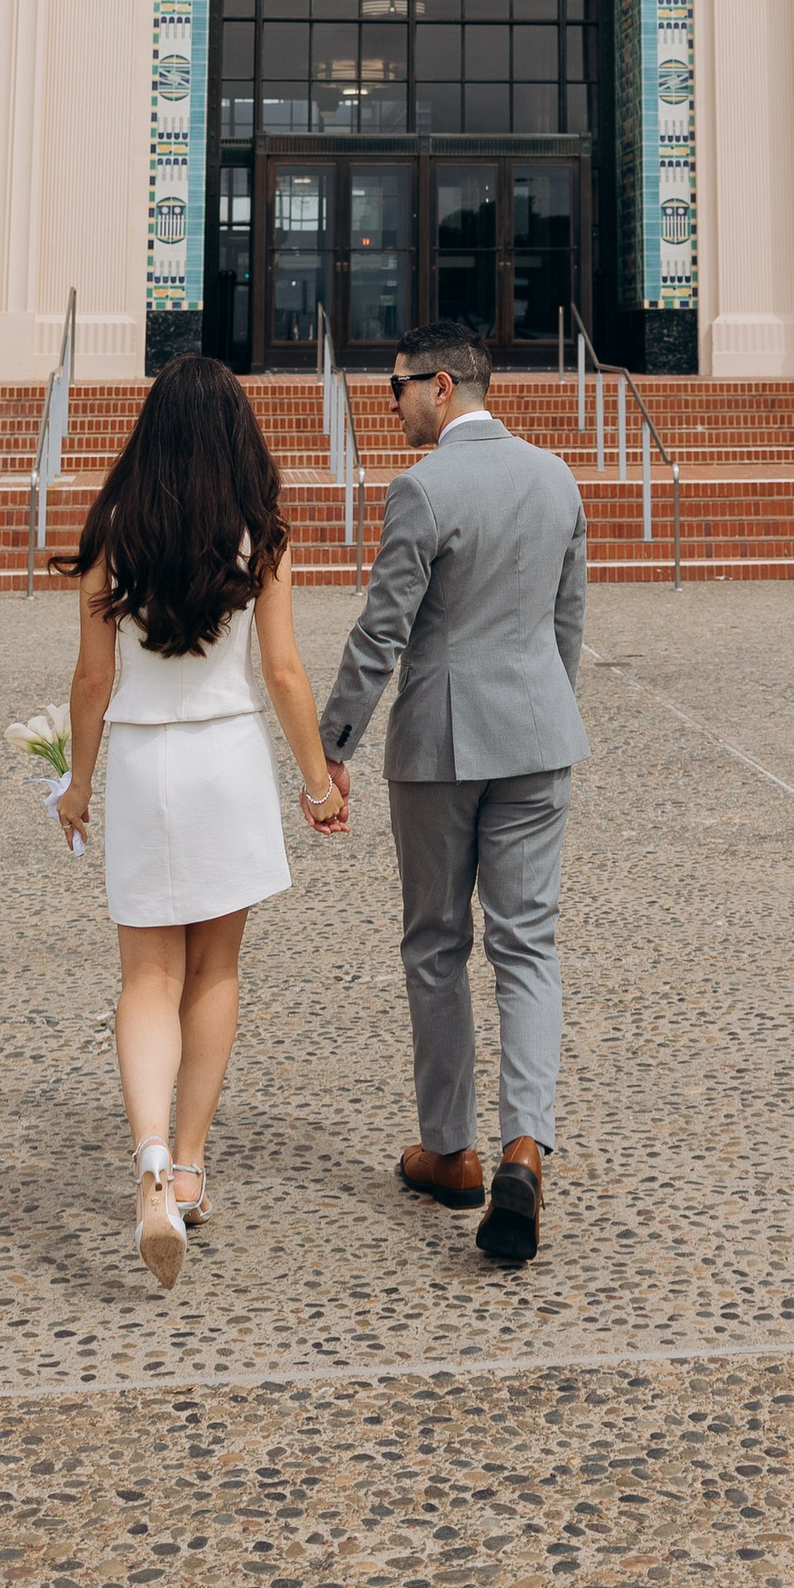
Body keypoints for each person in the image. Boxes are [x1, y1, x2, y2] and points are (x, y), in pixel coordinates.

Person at [53, 353, 347, 1290]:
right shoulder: (260, 529)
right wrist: (318, 785)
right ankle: (188, 1166)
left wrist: (77, 783)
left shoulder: (114, 527)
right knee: (214, 970)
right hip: (226, 757)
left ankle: (147, 1165)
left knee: (146, 975)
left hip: (144, 760)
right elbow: (284, 670)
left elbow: (93, 678)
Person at [315, 317, 590, 1269]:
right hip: (537, 737)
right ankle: (525, 1146)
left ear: (439, 385)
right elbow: (567, 621)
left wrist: (332, 745)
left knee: (436, 942)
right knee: (529, 944)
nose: (390, 405)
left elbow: (381, 630)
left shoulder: (424, 487)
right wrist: (544, 714)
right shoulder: (555, 477)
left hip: (439, 745)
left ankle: (450, 1149)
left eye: (395, 387)